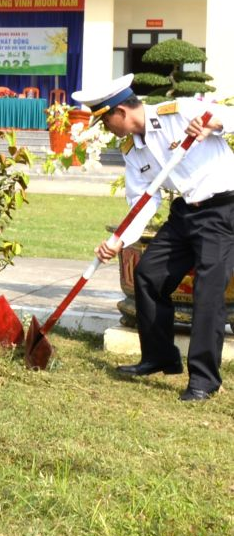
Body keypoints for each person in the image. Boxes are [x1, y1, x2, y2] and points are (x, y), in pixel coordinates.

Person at [83, 77, 234, 401]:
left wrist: (213, 124)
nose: (106, 128)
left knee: (208, 292)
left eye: (105, 120)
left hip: (222, 210)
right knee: (149, 275)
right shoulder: (132, 151)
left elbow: (229, 118)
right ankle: (160, 356)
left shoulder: (178, 112)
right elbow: (143, 200)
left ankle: (204, 380)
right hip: (185, 214)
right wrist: (120, 240)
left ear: (121, 112)